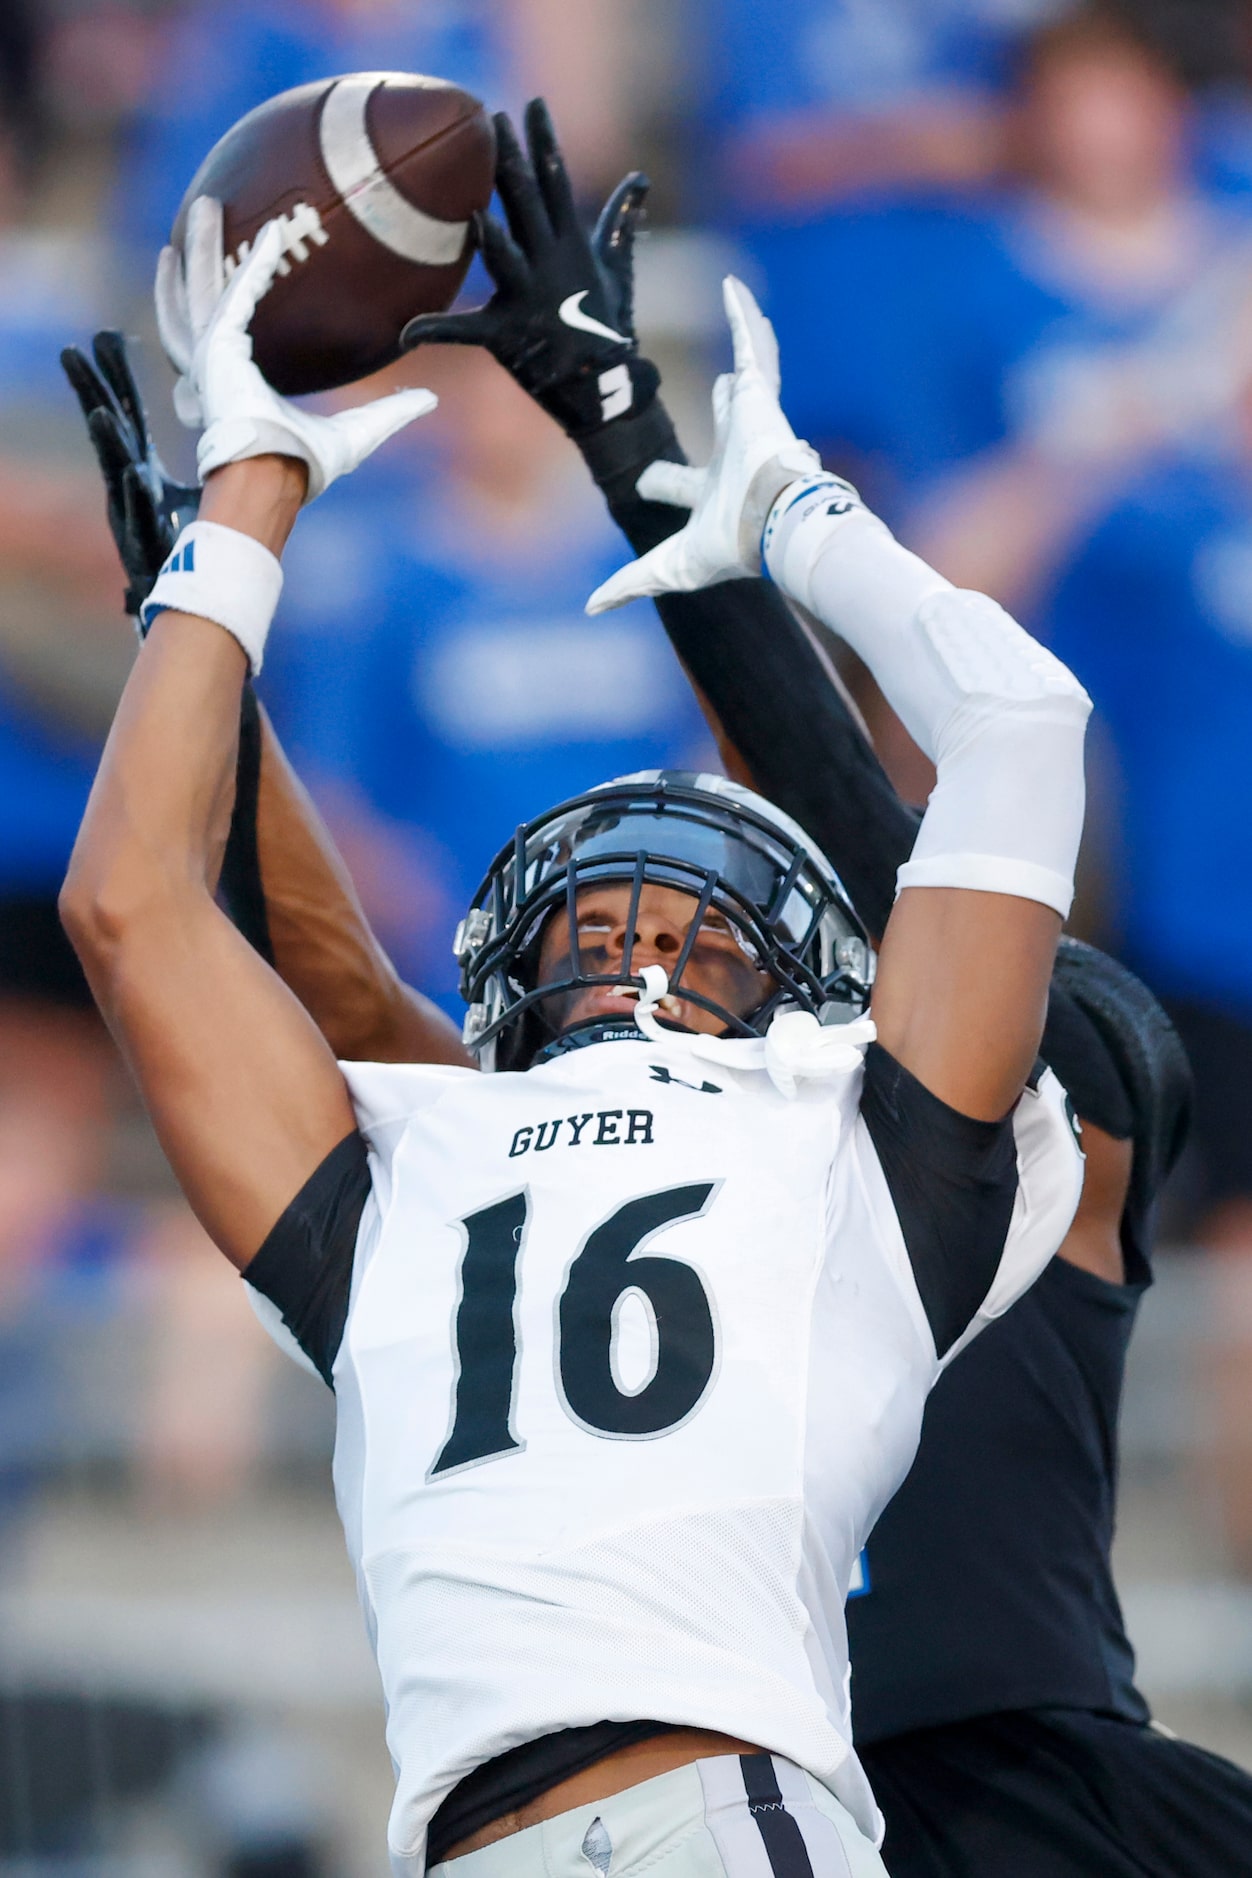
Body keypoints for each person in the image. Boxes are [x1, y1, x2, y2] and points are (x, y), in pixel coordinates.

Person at [66, 102, 1252, 1877]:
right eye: (601, 922)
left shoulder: (904, 1124)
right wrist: (200, 608)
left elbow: (912, 823)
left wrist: (657, 459)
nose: (634, 944)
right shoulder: (477, 1152)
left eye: (699, 931)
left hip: (968, 1783)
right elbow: (281, 956)